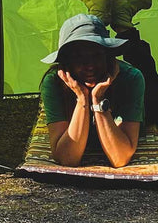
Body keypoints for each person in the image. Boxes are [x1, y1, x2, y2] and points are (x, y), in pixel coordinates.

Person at [40, 13, 144, 167]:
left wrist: (98, 100)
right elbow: (67, 158)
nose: (89, 65)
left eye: (96, 56)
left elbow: (120, 158)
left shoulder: (131, 78)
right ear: (66, 62)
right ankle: (101, 11)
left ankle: (124, 22)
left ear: (107, 57)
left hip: (151, 103)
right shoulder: (53, 82)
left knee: (143, 59)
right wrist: (82, 98)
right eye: (79, 58)